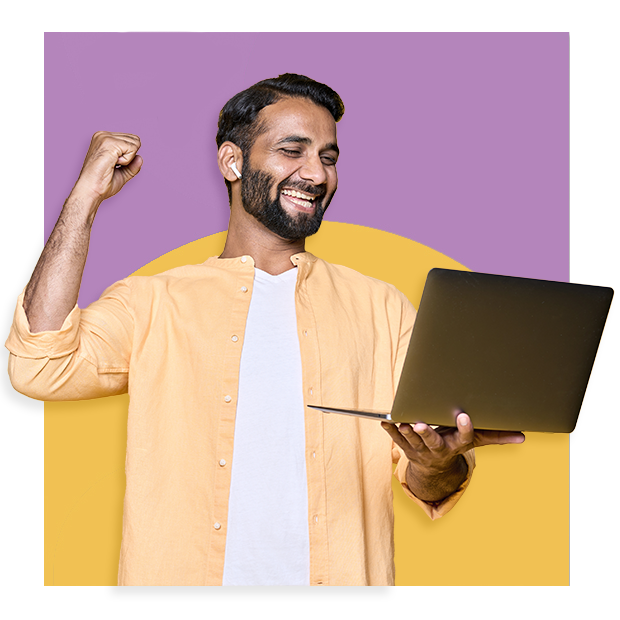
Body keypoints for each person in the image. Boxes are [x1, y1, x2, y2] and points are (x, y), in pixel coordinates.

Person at [5, 74, 524, 586]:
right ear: (232, 162)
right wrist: (84, 197)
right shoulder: (152, 303)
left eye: (327, 157)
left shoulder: (383, 308)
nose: (316, 174)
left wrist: (436, 465)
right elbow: (39, 367)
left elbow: (430, 478)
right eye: (292, 150)